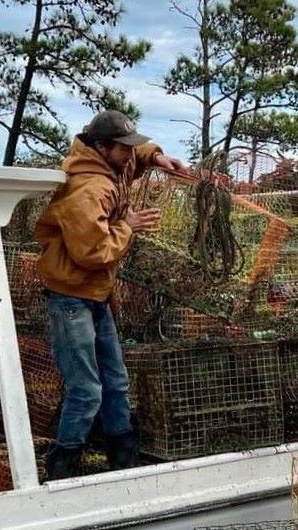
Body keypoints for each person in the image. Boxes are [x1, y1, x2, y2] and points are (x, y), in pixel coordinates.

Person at [35, 110, 187, 480]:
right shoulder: (87, 190)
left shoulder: (111, 164)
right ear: (102, 148)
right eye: (124, 149)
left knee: (116, 383)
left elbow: (136, 154)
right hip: (70, 298)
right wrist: (127, 226)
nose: (130, 156)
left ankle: (124, 467)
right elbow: (93, 252)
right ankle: (63, 472)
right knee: (86, 390)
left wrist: (157, 156)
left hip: (97, 295)